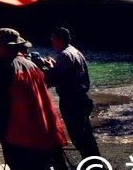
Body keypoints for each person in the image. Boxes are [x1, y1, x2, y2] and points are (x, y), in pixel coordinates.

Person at [0, 28, 68, 170]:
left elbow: (3, 105)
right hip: (41, 128)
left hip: (20, 133)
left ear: (3, 47)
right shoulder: (32, 65)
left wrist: (0, 131)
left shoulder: (5, 68)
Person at [42, 27, 99, 160]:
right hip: (81, 99)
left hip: (71, 101)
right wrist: (55, 66)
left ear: (59, 39)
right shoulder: (74, 51)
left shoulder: (64, 55)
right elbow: (68, 74)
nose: (51, 41)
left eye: (53, 38)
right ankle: (96, 168)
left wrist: (49, 68)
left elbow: (53, 79)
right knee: (87, 137)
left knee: (79, 138)